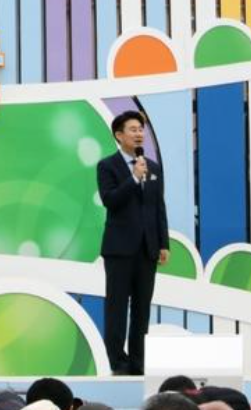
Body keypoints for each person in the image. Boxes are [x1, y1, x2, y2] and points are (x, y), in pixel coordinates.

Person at [96, 110, 170, 375]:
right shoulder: (107, 166)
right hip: (119, 248)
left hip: (147, 247)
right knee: (116, 307)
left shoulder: (153, 167)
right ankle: (118, 362)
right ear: (119, 135)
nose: (139, 134)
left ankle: (139, 363)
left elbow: (158, 206)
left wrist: (163, 243)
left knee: (142, 308)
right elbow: (110, 200)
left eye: (141, 129)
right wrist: (134, 178)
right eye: (133, 129)